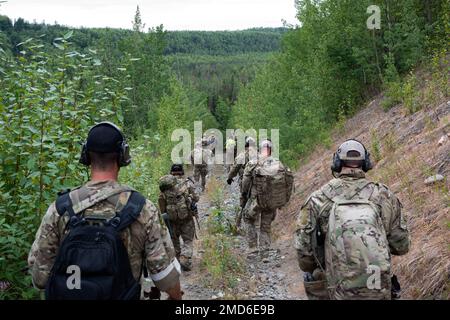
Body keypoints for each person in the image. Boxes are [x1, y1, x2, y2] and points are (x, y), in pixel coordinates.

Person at [28, 122, 182, 300]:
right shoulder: (142, 209)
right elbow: (166, 278)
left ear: (85, 156)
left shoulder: (60, 208)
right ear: (123, 156)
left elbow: (40, 278)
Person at [294, 139, 410, 300]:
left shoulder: (318, 199)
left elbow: (304, 259)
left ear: (337, 163)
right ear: (366, 163)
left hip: (336, 289)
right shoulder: (385, 196)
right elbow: (402, 246)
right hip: (376, 286)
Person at [241, 139, 292, 251]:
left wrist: (244, 194)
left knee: (248, 218)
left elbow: (245, 183)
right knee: (266, 224)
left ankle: (253, 247)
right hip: (271, 200)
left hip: (257, 200)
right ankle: (265, 248)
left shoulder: (253, 163)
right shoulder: (279, 163)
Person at [158, 164, 199, 271]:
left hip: (171, 220)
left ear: (171, 172)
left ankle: (176, 263)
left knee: (174, 241)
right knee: (188, 240)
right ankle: (185, 259)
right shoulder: (187, 184)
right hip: (186, 219)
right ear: (182, 172)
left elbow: (161, 205)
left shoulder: (165, 188)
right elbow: (196, 198)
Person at [227, 136, 256, 227]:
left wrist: (229, 177)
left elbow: (234, 168)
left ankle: (239, 222)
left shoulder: (242, 155)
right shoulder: (260, 155)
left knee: (243, 200)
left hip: (245, 182)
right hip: (259, 183)